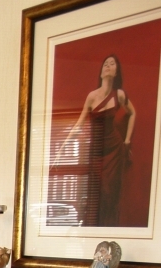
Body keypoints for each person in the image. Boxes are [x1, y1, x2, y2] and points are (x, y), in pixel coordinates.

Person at [59, 55, 137, 227]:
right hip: (96, 150)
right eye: (105, 64)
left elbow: (133, 113)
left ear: (117, 71)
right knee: (95, 191)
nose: (108, 66)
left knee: (111, 192)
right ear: (101, 71)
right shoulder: (92, 96)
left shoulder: (120, 95)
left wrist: (127, 141)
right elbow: (79, 124)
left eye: (112, 64)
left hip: (114, 149)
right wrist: (62, 147)